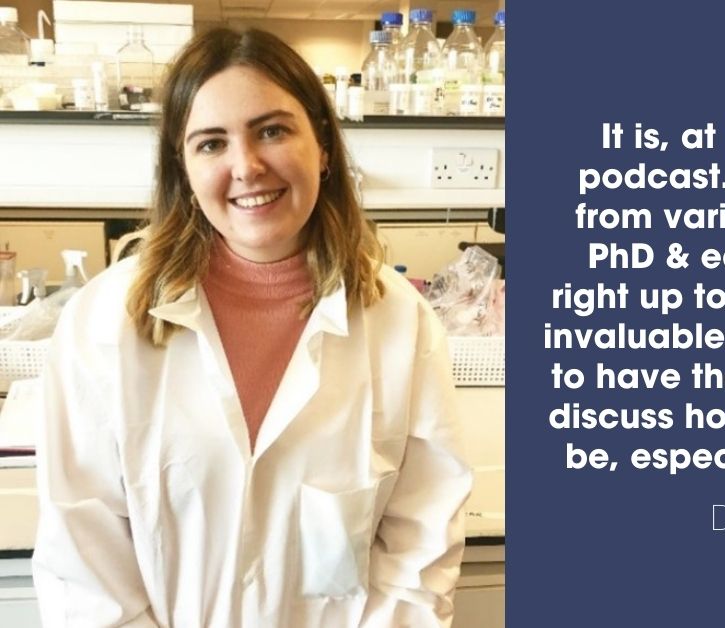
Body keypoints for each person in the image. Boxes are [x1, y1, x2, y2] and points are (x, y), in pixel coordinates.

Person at [32, 27, 472, 627]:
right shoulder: (104, 323)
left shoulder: (398, 320)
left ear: (322, 145)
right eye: (212, 143)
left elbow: (421, 542)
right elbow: (82, 556)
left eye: (272, 131)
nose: (247, 166)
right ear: (183, 168)